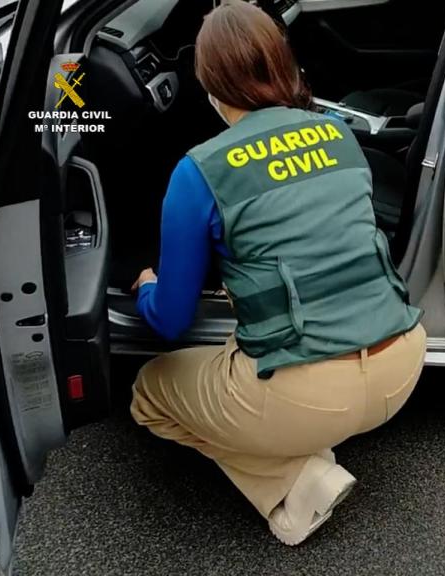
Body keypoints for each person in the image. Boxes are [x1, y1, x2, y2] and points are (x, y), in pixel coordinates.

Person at [128, 0, 425, 546]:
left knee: (150, 393)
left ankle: (296, 476)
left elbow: (170, 320)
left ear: (207, 83)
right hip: (401, 365)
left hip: (307, 396)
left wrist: (147, 286)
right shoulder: (337, 133)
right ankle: (291, 443)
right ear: (284, 63)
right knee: (245, 348)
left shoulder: (199, 170)